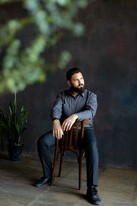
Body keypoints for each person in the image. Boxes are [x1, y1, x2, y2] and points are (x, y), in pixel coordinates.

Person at [35, 68, 101, 205]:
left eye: (82, 78)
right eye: (76, 80)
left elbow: (90, 112)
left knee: (93, 147)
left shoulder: (91, 96)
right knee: (43, 142)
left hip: (85, 132)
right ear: (69, 82)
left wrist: (75, 116)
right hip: (65, 131)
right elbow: (56, 109)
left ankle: (92, 189)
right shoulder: (62, 95)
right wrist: (56, 121)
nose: (80, 82)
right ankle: (48, 176)